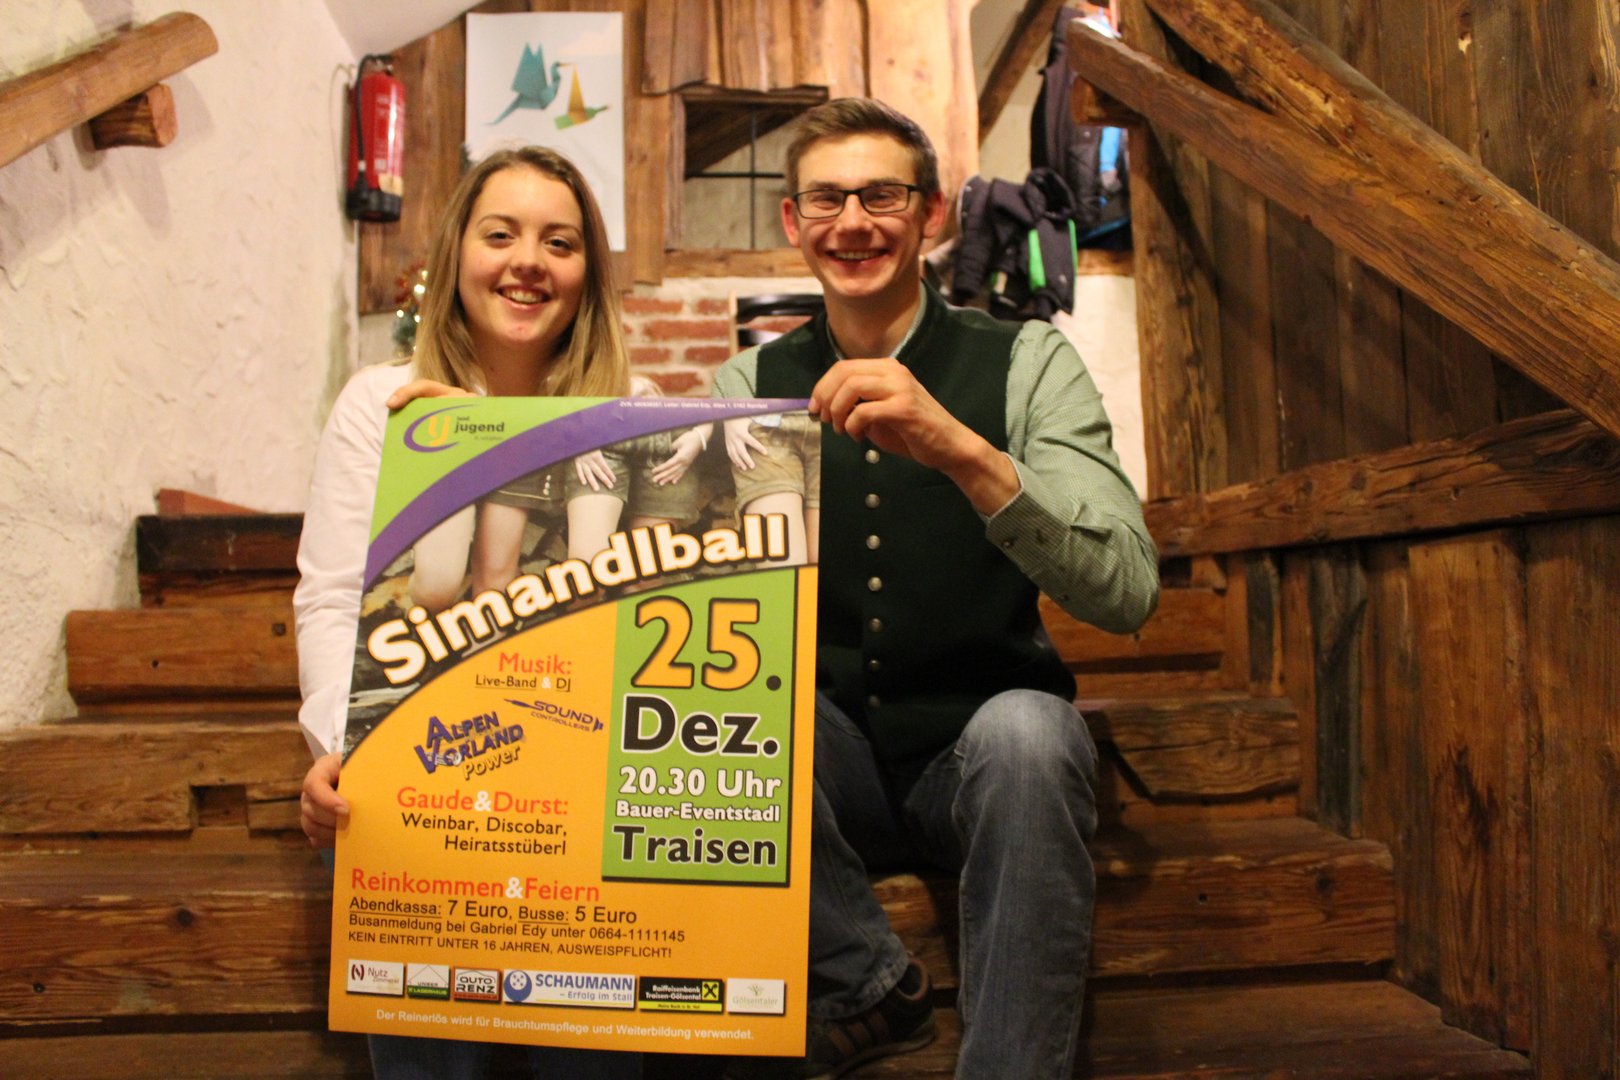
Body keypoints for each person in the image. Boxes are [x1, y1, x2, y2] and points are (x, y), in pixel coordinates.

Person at [711, 98, 1159, 1080]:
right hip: (826, 782)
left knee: (1033, 730)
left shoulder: (1028, 362)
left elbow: (1126, 591)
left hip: (984, 770)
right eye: (826, 199)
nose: (853, 222)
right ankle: (869, 984)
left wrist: (964, 451)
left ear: (932, 212)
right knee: (732, 713)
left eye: (881, 195)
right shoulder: (744, 387)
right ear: (793, 220)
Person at [295, 145, 643, 1080]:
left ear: (587, 273)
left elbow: (630, 613)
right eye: (501, 235)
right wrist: (341, 745)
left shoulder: (637, 413)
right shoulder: (381, 403)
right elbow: (331, 596)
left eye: (559, 242)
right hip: (425, 748)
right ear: (458, 254)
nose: (528, 261)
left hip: (579, 756)